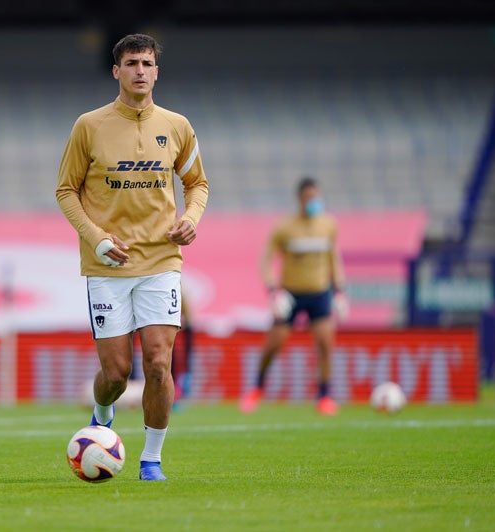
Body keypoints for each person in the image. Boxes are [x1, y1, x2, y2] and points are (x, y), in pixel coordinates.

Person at [56, 33, 209, 481]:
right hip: (107, 265)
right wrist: (96, 237)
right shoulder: (89, 126)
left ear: (156, 71)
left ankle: (152, 459)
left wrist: (193, 217)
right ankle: (102, 415)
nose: (140, 70)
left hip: (161, 261)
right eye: (131, 63)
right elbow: (66, 190)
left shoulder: (177, 126)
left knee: (159, 363)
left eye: (147, 63)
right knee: (117, 372)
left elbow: (197, 183)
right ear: (116, 71)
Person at [239, 177, 348, 416]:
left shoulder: (328, 224)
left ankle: (324, 396)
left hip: (319, 292)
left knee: (325, 343)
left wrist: (339, 290)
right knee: (274, 343)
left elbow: (334, 259)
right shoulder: (285, 227)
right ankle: (256, 388)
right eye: (309, 198)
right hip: (291, 293)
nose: (313, 202)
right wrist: (273, 291)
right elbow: (266, 261)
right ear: (299, 199)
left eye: (316, 197)